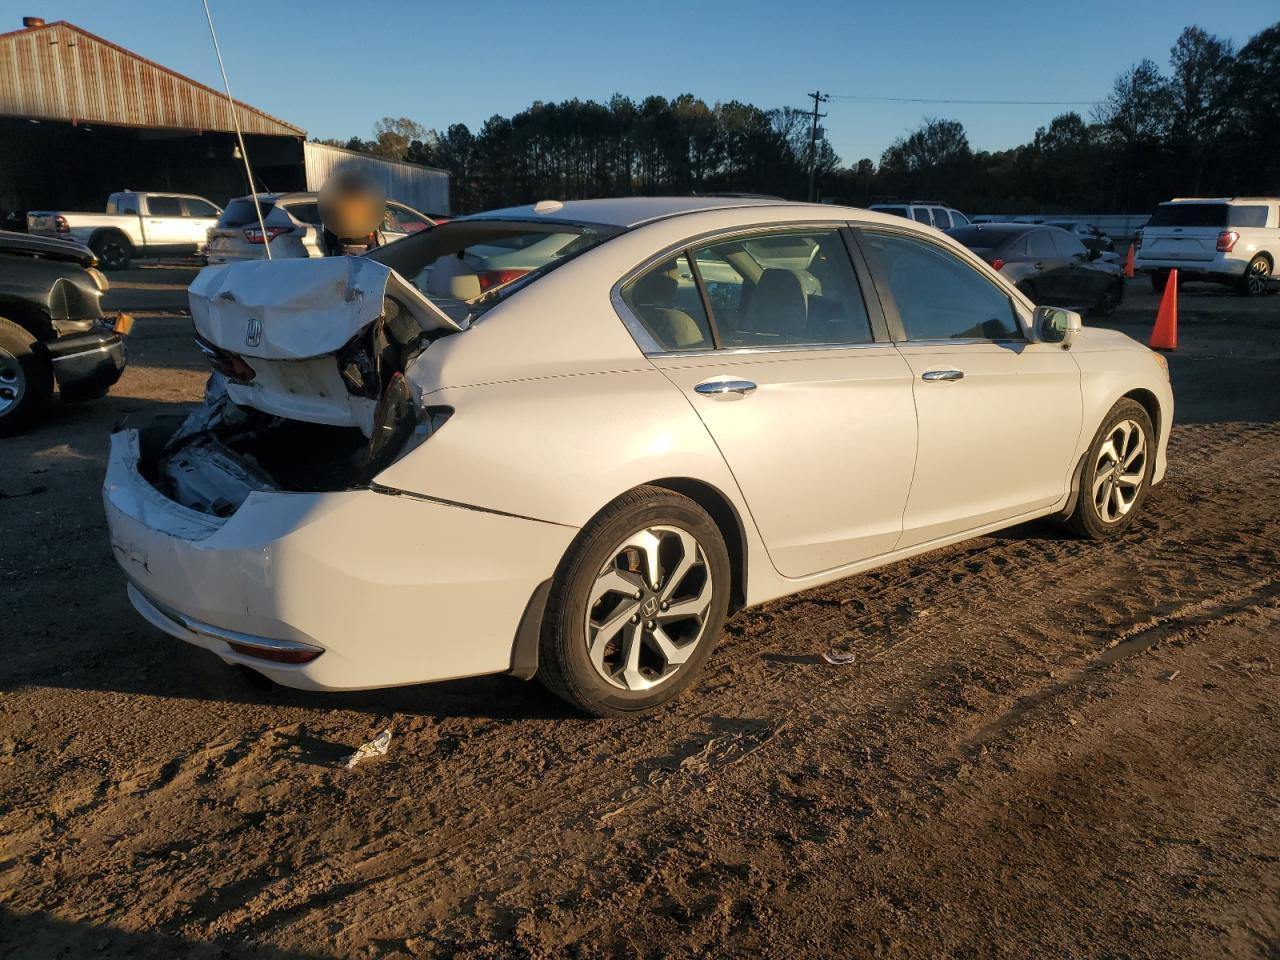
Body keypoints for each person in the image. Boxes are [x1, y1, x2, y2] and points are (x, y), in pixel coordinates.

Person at [317, 169, 387, 256]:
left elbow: (329, 233)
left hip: (345, 246)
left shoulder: (338, 204)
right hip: (363, 246)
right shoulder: (367, 203)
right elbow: (376, 227)